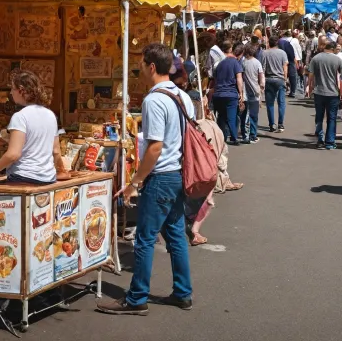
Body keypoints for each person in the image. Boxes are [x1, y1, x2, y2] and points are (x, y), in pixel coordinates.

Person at [97, 43, 193, 315]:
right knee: (175, 235)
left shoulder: (154, 99)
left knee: (145, 238)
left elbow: (154, 147)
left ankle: (137, 297)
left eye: (140, 64)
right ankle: (183, 292)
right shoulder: (182, 97)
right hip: (178, 173)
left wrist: (135, 182)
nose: (138, 69)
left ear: (152, 66)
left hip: (161, 175)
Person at [0, 69, 64, 184]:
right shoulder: (50, 115)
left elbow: (13, 154)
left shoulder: (20, 117)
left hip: (23, 177)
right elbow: (56, 151)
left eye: (13, 89)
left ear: (21, 91)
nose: (11, 93)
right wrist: (62, 170)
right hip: (48, 178)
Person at [306, 38, 342, 149]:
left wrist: (309, 87)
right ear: (333, 49)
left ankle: (320, 139)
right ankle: (330, 142)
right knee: (331, 117)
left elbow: (311, 75)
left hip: (319, 92)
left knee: (319, 116)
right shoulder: (338, 60)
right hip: (333, 93)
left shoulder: (316, 58)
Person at [209, 41, 245, 145]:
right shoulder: (236, 63)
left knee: (221, 117)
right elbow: (239, 79)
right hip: (230, 94)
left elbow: (214, 79)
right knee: (231, 117)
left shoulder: (219, 64)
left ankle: (222, 137)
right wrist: (241, 93)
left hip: (218, 94)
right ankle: (234, 137)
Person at [262, 35, 289, 132]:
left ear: (269, 43)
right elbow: (285, 67)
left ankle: (272, 124)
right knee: (281, 102)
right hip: (280, 78)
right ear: (277, 43)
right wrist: (285, 79)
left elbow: (263, 67)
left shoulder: (265, 53)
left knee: (270, 104)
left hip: (269, 78)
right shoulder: (282, 53)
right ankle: (280, 124)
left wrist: (262, 81)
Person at [240, 42, 265, 143]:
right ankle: (252, 135)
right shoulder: (257, 63)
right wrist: (261, 88)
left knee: (244, 114)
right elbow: (261, 77)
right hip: (255, 91)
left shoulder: (243, 63)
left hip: (244, 91)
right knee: (253, 115)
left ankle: (244, 134)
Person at [278, 29, 299, 97]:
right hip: (290, 60)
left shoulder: (279, 42)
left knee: (281, 75)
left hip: (280, 61)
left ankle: (281, 90)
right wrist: (295, 59)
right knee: (292, 76)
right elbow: (292, 52)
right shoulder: (289, 42)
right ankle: (292, 91)